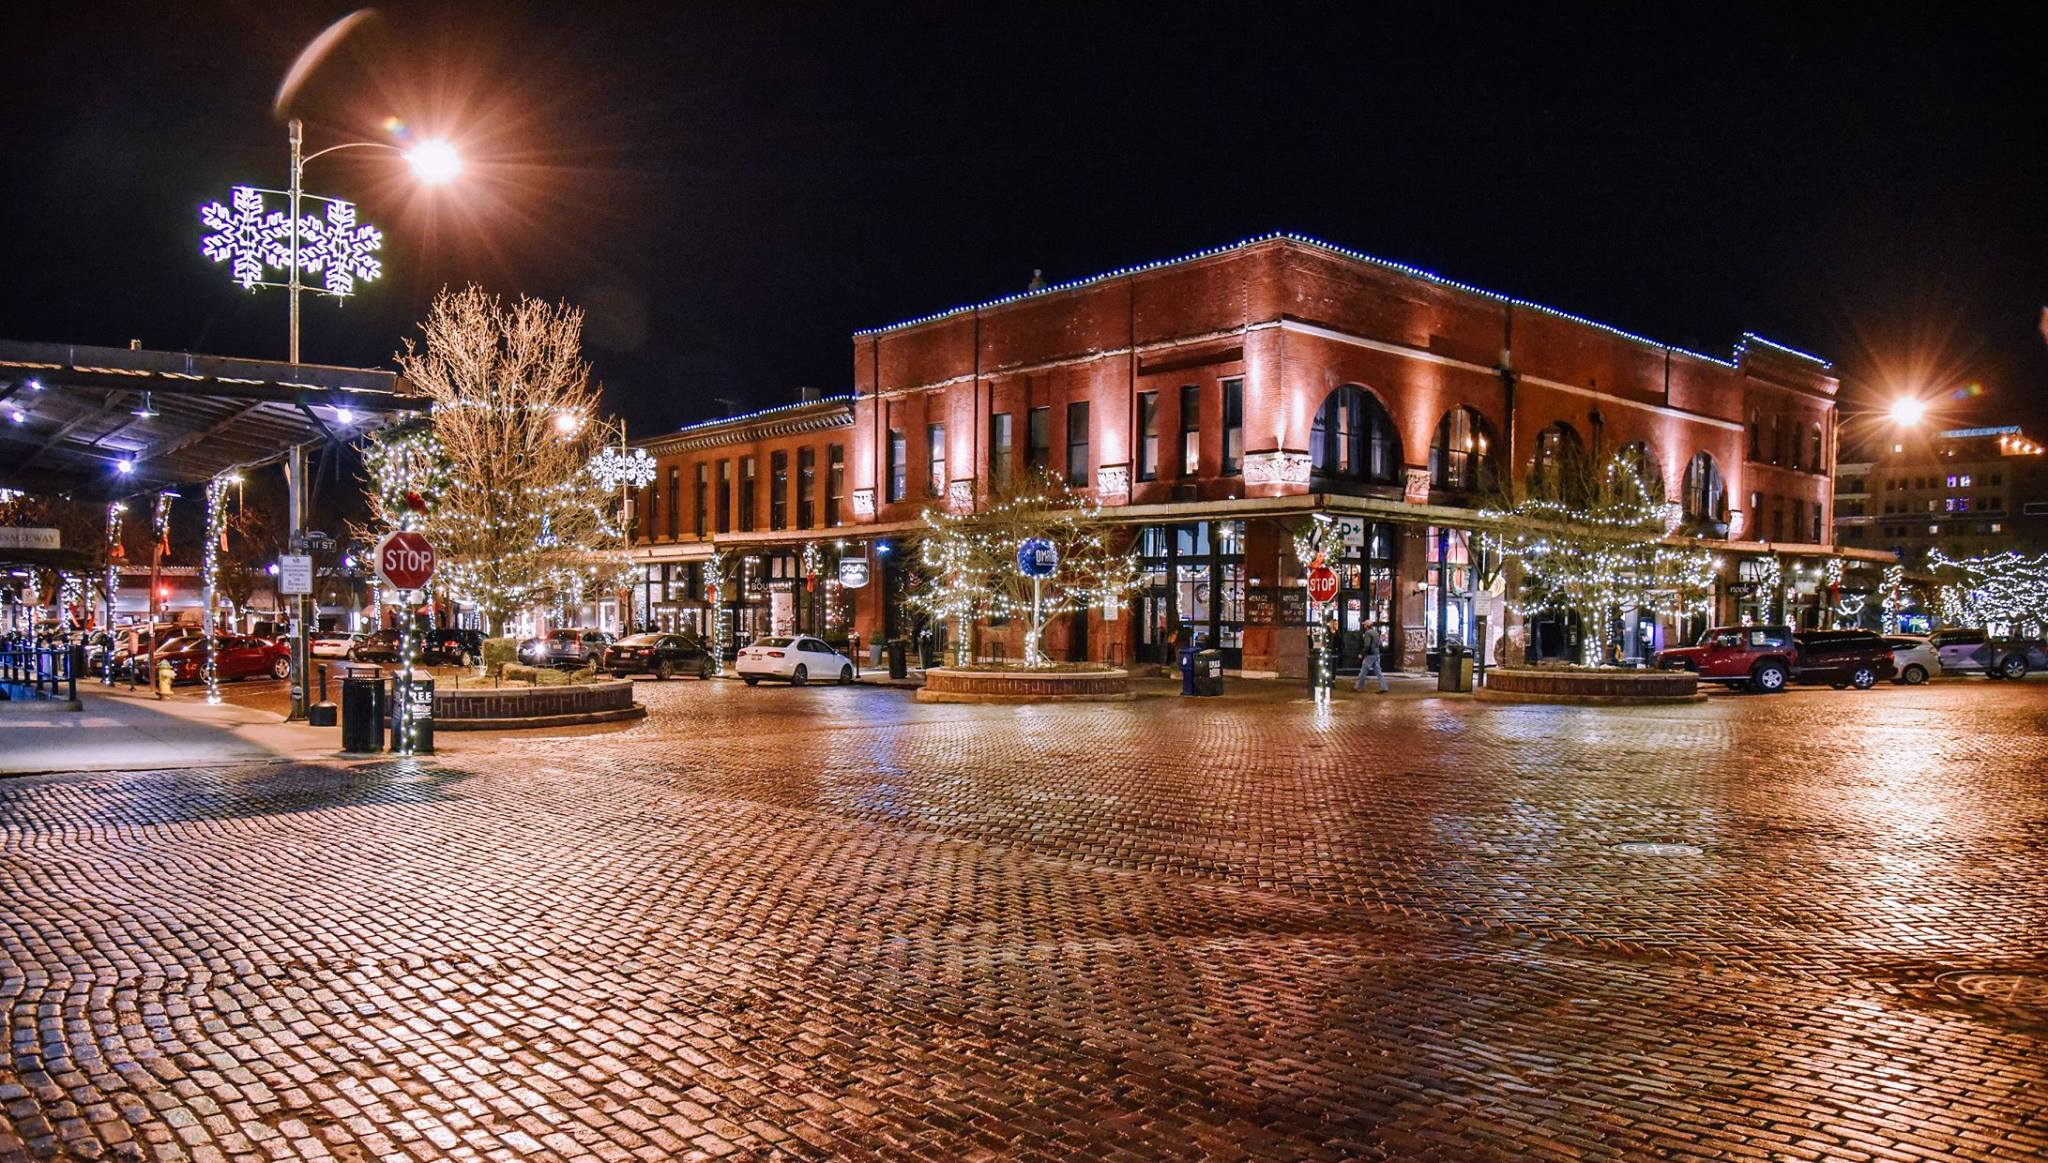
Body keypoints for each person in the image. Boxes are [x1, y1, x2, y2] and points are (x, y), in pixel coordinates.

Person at [1354, 620, 1389, 694]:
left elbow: (1367, 645)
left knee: (1363, 671)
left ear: (1366, 626)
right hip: (1376, 654)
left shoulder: (1367, 633)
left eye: (1364, 625)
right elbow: (1379, 644)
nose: (1363, 626)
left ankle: (1358, 687)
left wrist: (1362, 654)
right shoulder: (1375, 632)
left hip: (1370, 655)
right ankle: (1384, 687)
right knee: (1378, 672)